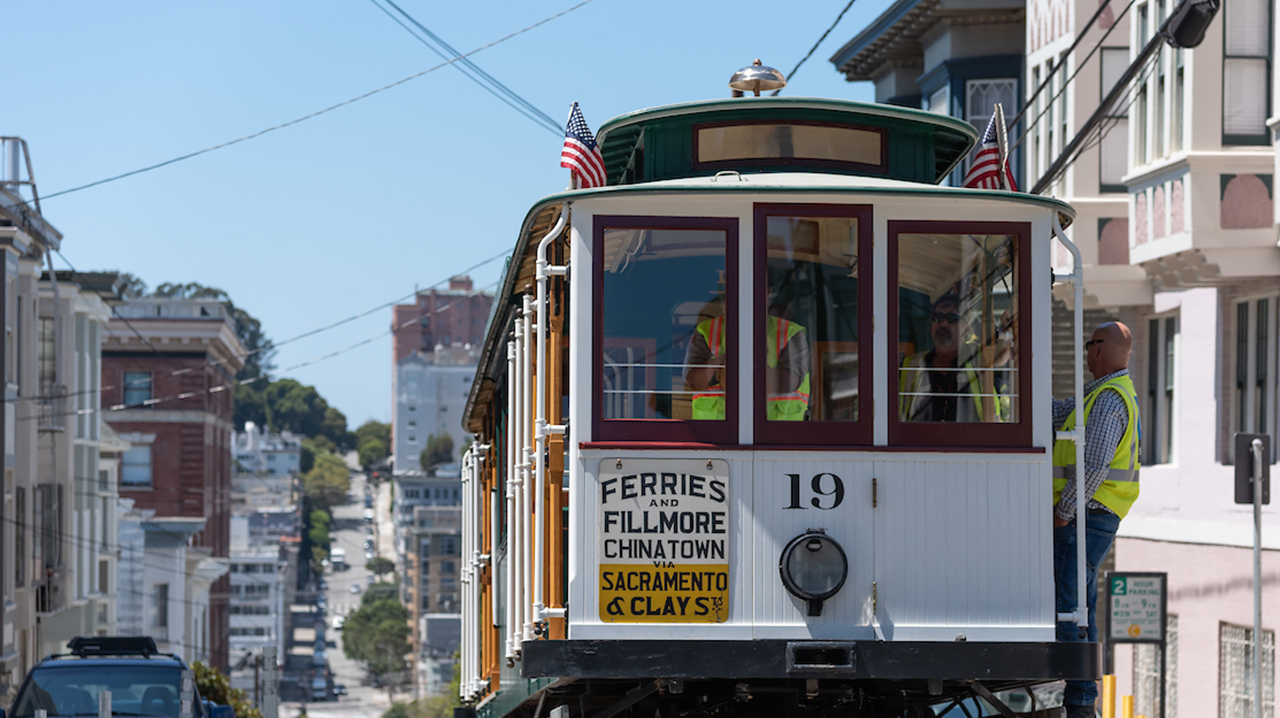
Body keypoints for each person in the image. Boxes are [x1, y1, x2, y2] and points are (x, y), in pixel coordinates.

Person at [1051, 321, 1141, 718]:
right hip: (1093, 515)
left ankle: (1082, 704)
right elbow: (1056, 413)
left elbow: (1094, 465)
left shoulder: (1107, 400)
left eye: (1090, 344)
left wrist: (1062, 511)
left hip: (1087, 516)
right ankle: (1083, 701)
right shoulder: (1102, 396)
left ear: (1099, 348)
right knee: (1080, 606)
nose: (1087, 351)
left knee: (1070, 605)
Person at [684, 304, 810, 421]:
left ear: (769, 294)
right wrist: (727, 360)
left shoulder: (790, 332)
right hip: (716, 435)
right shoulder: (707, 330)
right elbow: (694, 381)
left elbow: (788, 382)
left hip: (778, 436)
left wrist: (745, 367)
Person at [898, 294, 1009, 422]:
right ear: (931, 325)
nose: (943, 323)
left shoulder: (979, 357)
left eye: (952, 319)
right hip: (921, 441)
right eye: (937, 318)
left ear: (967, 329)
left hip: (973, 441)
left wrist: (1007, 331)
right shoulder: (911, 364)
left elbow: (1001, 356)